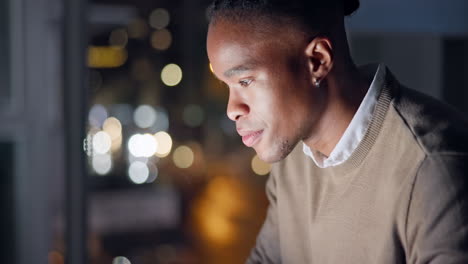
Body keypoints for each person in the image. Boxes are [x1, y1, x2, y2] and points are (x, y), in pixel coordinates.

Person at [206, 0, 468, 263]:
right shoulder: (294, 158)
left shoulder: (432, 167)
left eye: (245, 81)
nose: (232, 110)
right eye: (227, 86)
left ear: (317, 61)